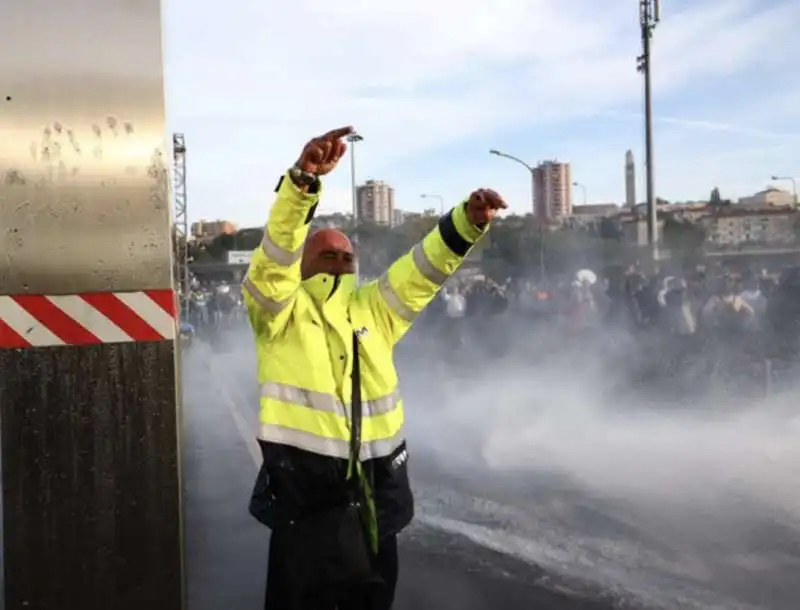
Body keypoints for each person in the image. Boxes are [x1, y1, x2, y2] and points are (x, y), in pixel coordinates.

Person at [242, 126, 506, 610]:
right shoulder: (278, 310)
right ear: (301, 264)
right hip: (306, 507)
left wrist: (466, 224)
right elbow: (275, 255)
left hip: (377, 503)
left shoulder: (374, 309)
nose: (341, 262)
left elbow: (421, 272)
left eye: (347, 256)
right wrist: (302, 185)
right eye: (328, 254)